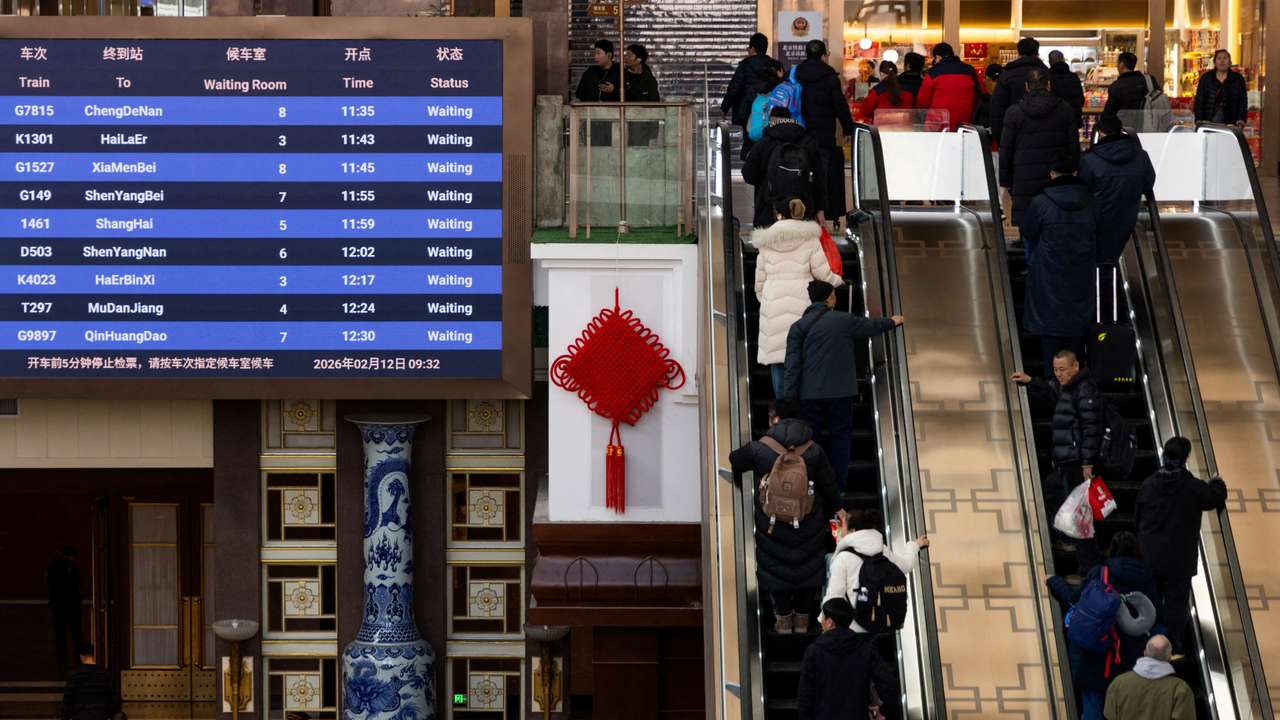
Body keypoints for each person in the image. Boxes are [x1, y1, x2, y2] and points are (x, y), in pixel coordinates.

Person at [729, 399, 840, 634]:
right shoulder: (814, 450)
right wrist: (838, 508)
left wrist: (740, 480)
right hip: (808, 523)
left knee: (774, 568)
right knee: (808, 568)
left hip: (772, 526)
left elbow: (734, 459)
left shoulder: (759, 449)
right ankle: (802, 620)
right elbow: (829, 484)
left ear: (773, 418)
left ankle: (782, 621)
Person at [782, 280, 903, 492]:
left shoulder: (798, 327)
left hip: (809, 395)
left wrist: (789, 397)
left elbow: (792, 365)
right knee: (840, 439)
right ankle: (837, 488)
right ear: (829, 298)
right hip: (840, 393)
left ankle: (812, 485)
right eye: (834, 295)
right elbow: (870, 326)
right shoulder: (843, 320)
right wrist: (891, 322)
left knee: (810, 441)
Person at [1047, 532, 1161, 719]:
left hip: (1095, 655)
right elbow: (1156, 617)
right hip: (1131, 659)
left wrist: (1054, 581)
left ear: (1111, 550)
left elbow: (1074, 600)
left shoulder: (1100, 573)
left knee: (1093, 707)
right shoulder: (1148, 578)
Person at [1135, 436, 1227, 655]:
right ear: (1186, 458)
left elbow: (1137, 519)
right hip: (1180, 559)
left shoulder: (1148, 484)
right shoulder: (1193, 487)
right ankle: (1172, 647)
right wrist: (1216, 482)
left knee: (1151, 599)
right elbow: (1214, 498)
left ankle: (1147, 642)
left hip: (1151, 556)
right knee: (1176, 605)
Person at [1011, 348, 1102, 566]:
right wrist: (1031, 380)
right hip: (1066, 461)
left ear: (1076, 367)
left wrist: (1087, 462)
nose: (1059, 374)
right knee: (1051, 492)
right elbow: (1051, 392)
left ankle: (1089, 568)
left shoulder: (1084, 390)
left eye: (1062, 369)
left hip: (1077, 463)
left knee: (1080, 516)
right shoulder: (1068, 388)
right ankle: (1071, 544)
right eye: (1055, 369)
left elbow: (1092, 428)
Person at [751, 197, 844, 394]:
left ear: (779, 215)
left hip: (773, 302)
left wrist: (766, 300)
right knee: (802, 356)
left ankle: (784, 409)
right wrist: (839, 282)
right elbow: (822, 274)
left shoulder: (766, 241)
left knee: (778, 360)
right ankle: (803, 410)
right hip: (803, 303)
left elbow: (759, 282)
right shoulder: (809, 239)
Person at [822, 506, 927, 631]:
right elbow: (906, 565)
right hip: (880, 620)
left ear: (852, 531)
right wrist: (914, 545)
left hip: (853, 625)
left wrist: (823, 621)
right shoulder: (882, 549)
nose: (840, 529)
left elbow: (834, 596)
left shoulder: (843, 557)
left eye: (843, 526)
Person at [797, 597, 902, 720]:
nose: (821, 622)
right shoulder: (866, 650)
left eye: (823, 618)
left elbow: (805, 698)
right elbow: (889, 687)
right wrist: (884, 711)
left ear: (830, 622)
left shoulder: (813, 652)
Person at [999, 69, 1080, 227]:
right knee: (1054, 222)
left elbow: (1006, 149)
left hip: (1023, 176)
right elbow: (1073, 144)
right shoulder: (1064, 109)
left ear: (1027, 87)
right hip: (1056, 175)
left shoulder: (1014, 112)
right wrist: (1074, 170)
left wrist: (1005, 180)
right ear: (1048, 85)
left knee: (1028, 222)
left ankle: (1029, 250)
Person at [1079, 114, 1156, 264]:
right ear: (1121, 131)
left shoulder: (1089, 160)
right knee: (1112, 257)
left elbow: (1082, 192)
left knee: (1097, 260)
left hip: (1098, 222)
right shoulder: (1141, 156)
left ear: (1100, 133)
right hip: (1128, 219)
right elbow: (1148, 185)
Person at [795, 40, 856, 226]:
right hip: (824, 134)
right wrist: (848, 128)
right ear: (823, 56)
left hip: (800, 132)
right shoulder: (829, 77)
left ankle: (802, 211)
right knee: (825, 172)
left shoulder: (796, 74)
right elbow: (840, 106)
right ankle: (829, 213)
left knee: (803, 171)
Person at [742, 106, 827, 229]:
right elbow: (820, 179)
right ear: (789, 119)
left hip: (770, 210)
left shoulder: (764, 143)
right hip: (802, 209)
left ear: (771, 121)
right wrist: (820, 209)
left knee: (770, 245)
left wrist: (765, 180)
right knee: (802, 245)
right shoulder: (809, 143)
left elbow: (748, 175)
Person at [1103, 635, 1196, 720]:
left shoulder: (1119, 683)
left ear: (1144, 653)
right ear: (1169, 657)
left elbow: (1109, 716)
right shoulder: (1180, 689)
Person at [722, 33, 775, 159]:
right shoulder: (774, 65)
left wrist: (724, 108)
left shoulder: (745, 65)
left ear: (752, 48)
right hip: (770, 110)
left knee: (750, 140)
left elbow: (734, 88)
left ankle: (751, 168)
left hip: (747, 110)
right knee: (769, 141)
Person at [990, 37, 1047, 143]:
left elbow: (997, 108)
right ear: (1037, 52)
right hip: (1046, 136)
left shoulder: (1007, 76)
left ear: (1018, 52)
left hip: (1016, 134)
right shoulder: (1047, 74)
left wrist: (999, 138)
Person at [916, 42, 981, 131]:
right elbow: (979, 93)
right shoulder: (970, 70)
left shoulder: (933, 73)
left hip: (938, 126)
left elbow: (922, 102)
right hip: (965, 125)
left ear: (938, 57)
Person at [61, 644, 121, 720]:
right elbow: (115, 699)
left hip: (80, 717)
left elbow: (67, 701)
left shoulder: (74, 675)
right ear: (93, 654)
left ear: (81, 656)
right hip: (101, 716)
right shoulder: (106, 674)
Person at [47, 545, 83, 671]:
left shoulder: (53, 566)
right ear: (72, 555)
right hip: (73, 605)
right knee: (76, 633)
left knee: (60, 633)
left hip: (58, 605)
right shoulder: (73, 568)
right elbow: (77, 584)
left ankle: (62, 658)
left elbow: (49, 583)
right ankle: (78, 656)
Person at [1193, 49, 1249, 126]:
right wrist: (1198, 119)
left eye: (1225, 58)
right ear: (1215, 62)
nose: (1222, 61)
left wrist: (1241, 119)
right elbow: (1199, 100)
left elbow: (1243, 101)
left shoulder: (1238, 79)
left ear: (1230, 62)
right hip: (1208, 120)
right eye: (1219, 58)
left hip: (1231, 121)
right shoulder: (1206, 78)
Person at [1101, 52, 1149, 125]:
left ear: (1121, 65)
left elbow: (1108, 114)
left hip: (1125, 129)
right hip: (1148, 128)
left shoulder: (1116, 87)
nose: (1117, 66)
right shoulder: (1148, 81)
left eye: (1117, 63)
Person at [1048, 50, 1085, 129]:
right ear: (1063, 59)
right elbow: (1081, 101)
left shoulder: (1047, 78)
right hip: (1073, 121)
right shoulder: (1074, 77)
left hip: (1054, 123)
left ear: (1050, 62)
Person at [973, 62, 1003, 129]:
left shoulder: (981, 100)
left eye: (997, 80)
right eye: (994, 80)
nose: (995, 84)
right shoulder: (1008, 100)